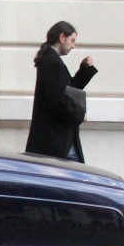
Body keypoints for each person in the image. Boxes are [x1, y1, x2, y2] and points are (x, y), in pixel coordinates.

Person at [25, 21, 97, 162]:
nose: (73, 45)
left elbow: (69, 89)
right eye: (72, 40)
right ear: (62, 37)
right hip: (57, 142)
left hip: (57, 141)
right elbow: (57, 99)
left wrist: (84, 70)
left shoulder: (50, 60)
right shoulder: (53, 62)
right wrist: (80, 113)